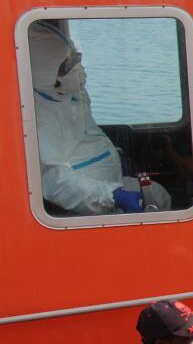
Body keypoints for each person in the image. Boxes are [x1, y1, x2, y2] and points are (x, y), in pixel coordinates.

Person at [29, 20, 171, 215]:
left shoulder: (67, 95)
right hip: (93, 201)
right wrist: (113, 196)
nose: (76, 68)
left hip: (108, 180)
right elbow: (55, 180)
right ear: (47, 73)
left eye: (75, 60)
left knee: (159, 194)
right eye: (67, 65)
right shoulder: (36, 118)